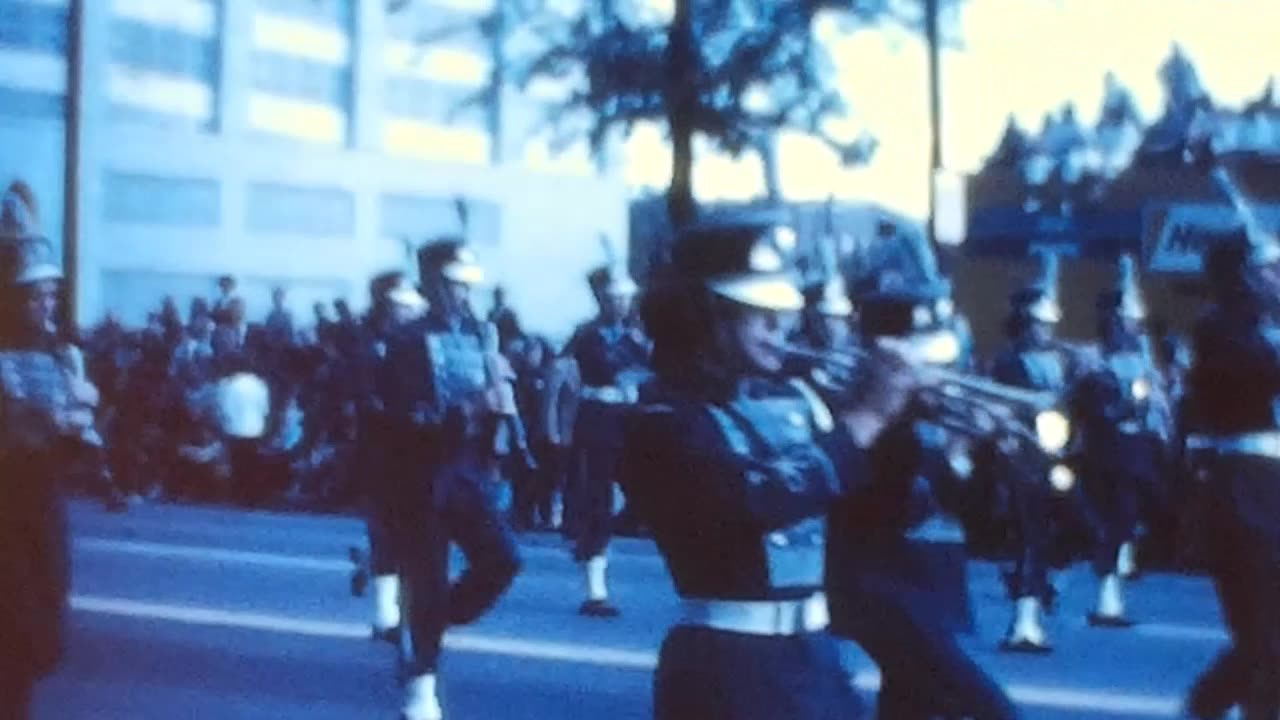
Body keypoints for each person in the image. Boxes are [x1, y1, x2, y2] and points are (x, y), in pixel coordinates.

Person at [621, 216, 915, 720]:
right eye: (759, 314)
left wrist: (927, 442)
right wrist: (868, 417)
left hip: (815, 654)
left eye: (781, 313)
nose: (781, 328)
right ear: (704, 317)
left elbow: (868, 512)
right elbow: (750, 500)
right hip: (729, 662)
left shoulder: (798, 397)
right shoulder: (664, 415)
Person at [378, 240, 521, 720]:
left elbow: (490, 401)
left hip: (466, 471)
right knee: (427, 575)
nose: (461, 295)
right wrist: (459, 412)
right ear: (431, 284)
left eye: (465, 286)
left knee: (503, 560)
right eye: (452, 285)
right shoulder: (405, 341)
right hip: (418, 475)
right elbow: (398, 417)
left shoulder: (482, 334)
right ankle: (421, 684)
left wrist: (496, 427)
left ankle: (432, 620)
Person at [0, 182, 98, 718]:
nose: (46, 304)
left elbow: (78, 451)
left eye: (50, 294)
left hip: (41, 511)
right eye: (34, 295)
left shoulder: (60, 358)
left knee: (40, 629)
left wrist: (78, 428)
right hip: (6, 513)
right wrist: (49, 423)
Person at [1182, 228, 1280, 720]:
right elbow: (1257, 373)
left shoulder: (1264, 326)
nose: (1278, 277)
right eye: (1269, 268)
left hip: (1271, 488)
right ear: (1243, 276)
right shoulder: (1219, 328)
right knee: (1259, 638)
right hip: (1245, 490)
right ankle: (1202, 709)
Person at [986, 250, 1083, 653]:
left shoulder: (1064, 360)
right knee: (1031, 536)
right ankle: (1024, 622)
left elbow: (1069, 405)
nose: (1045, 331)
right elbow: (1001, 410)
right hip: (1022, 454)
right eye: (1038, 324)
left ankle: (1040, 584)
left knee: (1081, 526)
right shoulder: (1007, 362)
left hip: (1057, 455)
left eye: (1048, 325)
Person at [1071, 255, 1172, 627]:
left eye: (1133, 322)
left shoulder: (1142, 363)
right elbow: (1089, 407)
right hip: (1106, 451)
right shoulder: (1092, 360)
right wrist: (1125, 405)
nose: (1132, 327)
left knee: (1127, 519)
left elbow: (1158, 410)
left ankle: (1113, 584)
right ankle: (1106, 594)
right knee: (1111, 520)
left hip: (1137, 452)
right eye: (1125, 321)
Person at [560, 260, 651, 616]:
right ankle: (595, 588)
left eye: (626, 299)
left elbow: (650, 366)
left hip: (630, 419)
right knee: (598, 500)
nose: (622, 305)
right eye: (615, 298)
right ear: (601, 299)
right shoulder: (588, 335)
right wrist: (634, 351)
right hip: (599, 419)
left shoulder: (636, 334)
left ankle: (590, 542)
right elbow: (606, 367)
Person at [350, 271, 426, 642]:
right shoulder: (369, 344)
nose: (409, 312)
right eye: (402, 306)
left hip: (415, 447)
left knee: (408, 531)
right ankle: (384, 617)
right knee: (386, 529)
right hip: (380, 447)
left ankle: (388, 595)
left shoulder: (415, 341)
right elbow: (366, 399)